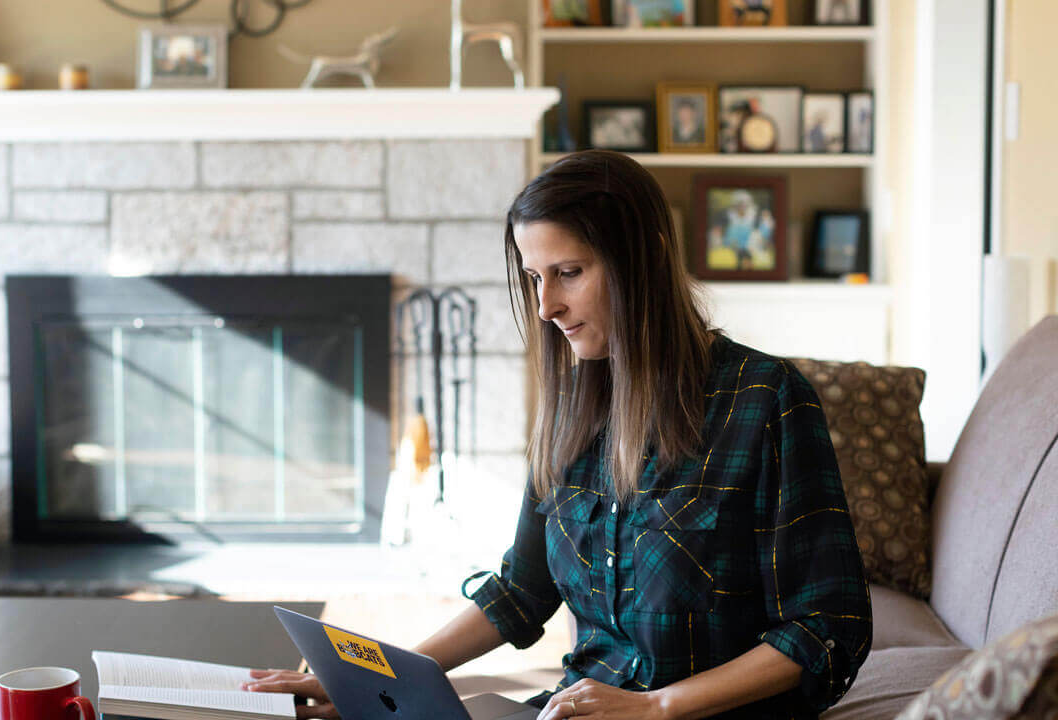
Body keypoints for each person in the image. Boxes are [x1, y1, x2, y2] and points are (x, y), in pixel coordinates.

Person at [242, 150, 871, 719]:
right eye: (535, 277)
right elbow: (521, 592)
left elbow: (826, 627)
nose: (546, 307)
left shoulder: (766, 400)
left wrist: (656, 708)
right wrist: (372, 679)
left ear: (645, 259)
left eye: (569, 271)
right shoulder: (573, 407)